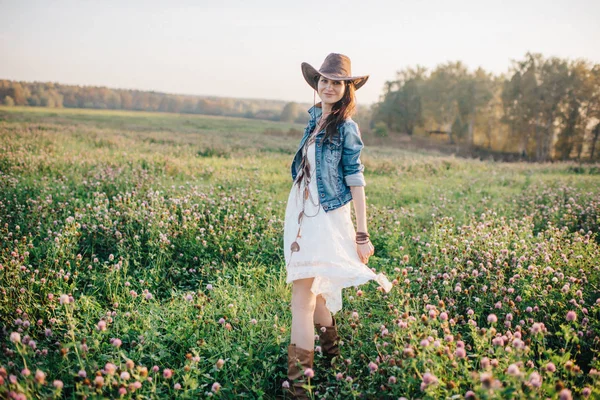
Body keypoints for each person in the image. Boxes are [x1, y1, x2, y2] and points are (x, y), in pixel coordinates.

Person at [284, 53, 393, 398]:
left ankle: (299, 389)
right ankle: (334, 358)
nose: (328, 86)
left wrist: (362, 234)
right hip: (302, 216)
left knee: (301, 298)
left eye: (336, 82)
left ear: (347, 88)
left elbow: (356, 180)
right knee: (313, 294)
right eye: (323, 80)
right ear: (317, 84)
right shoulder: (314, 121)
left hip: (327, 219)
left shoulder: (346, 127)